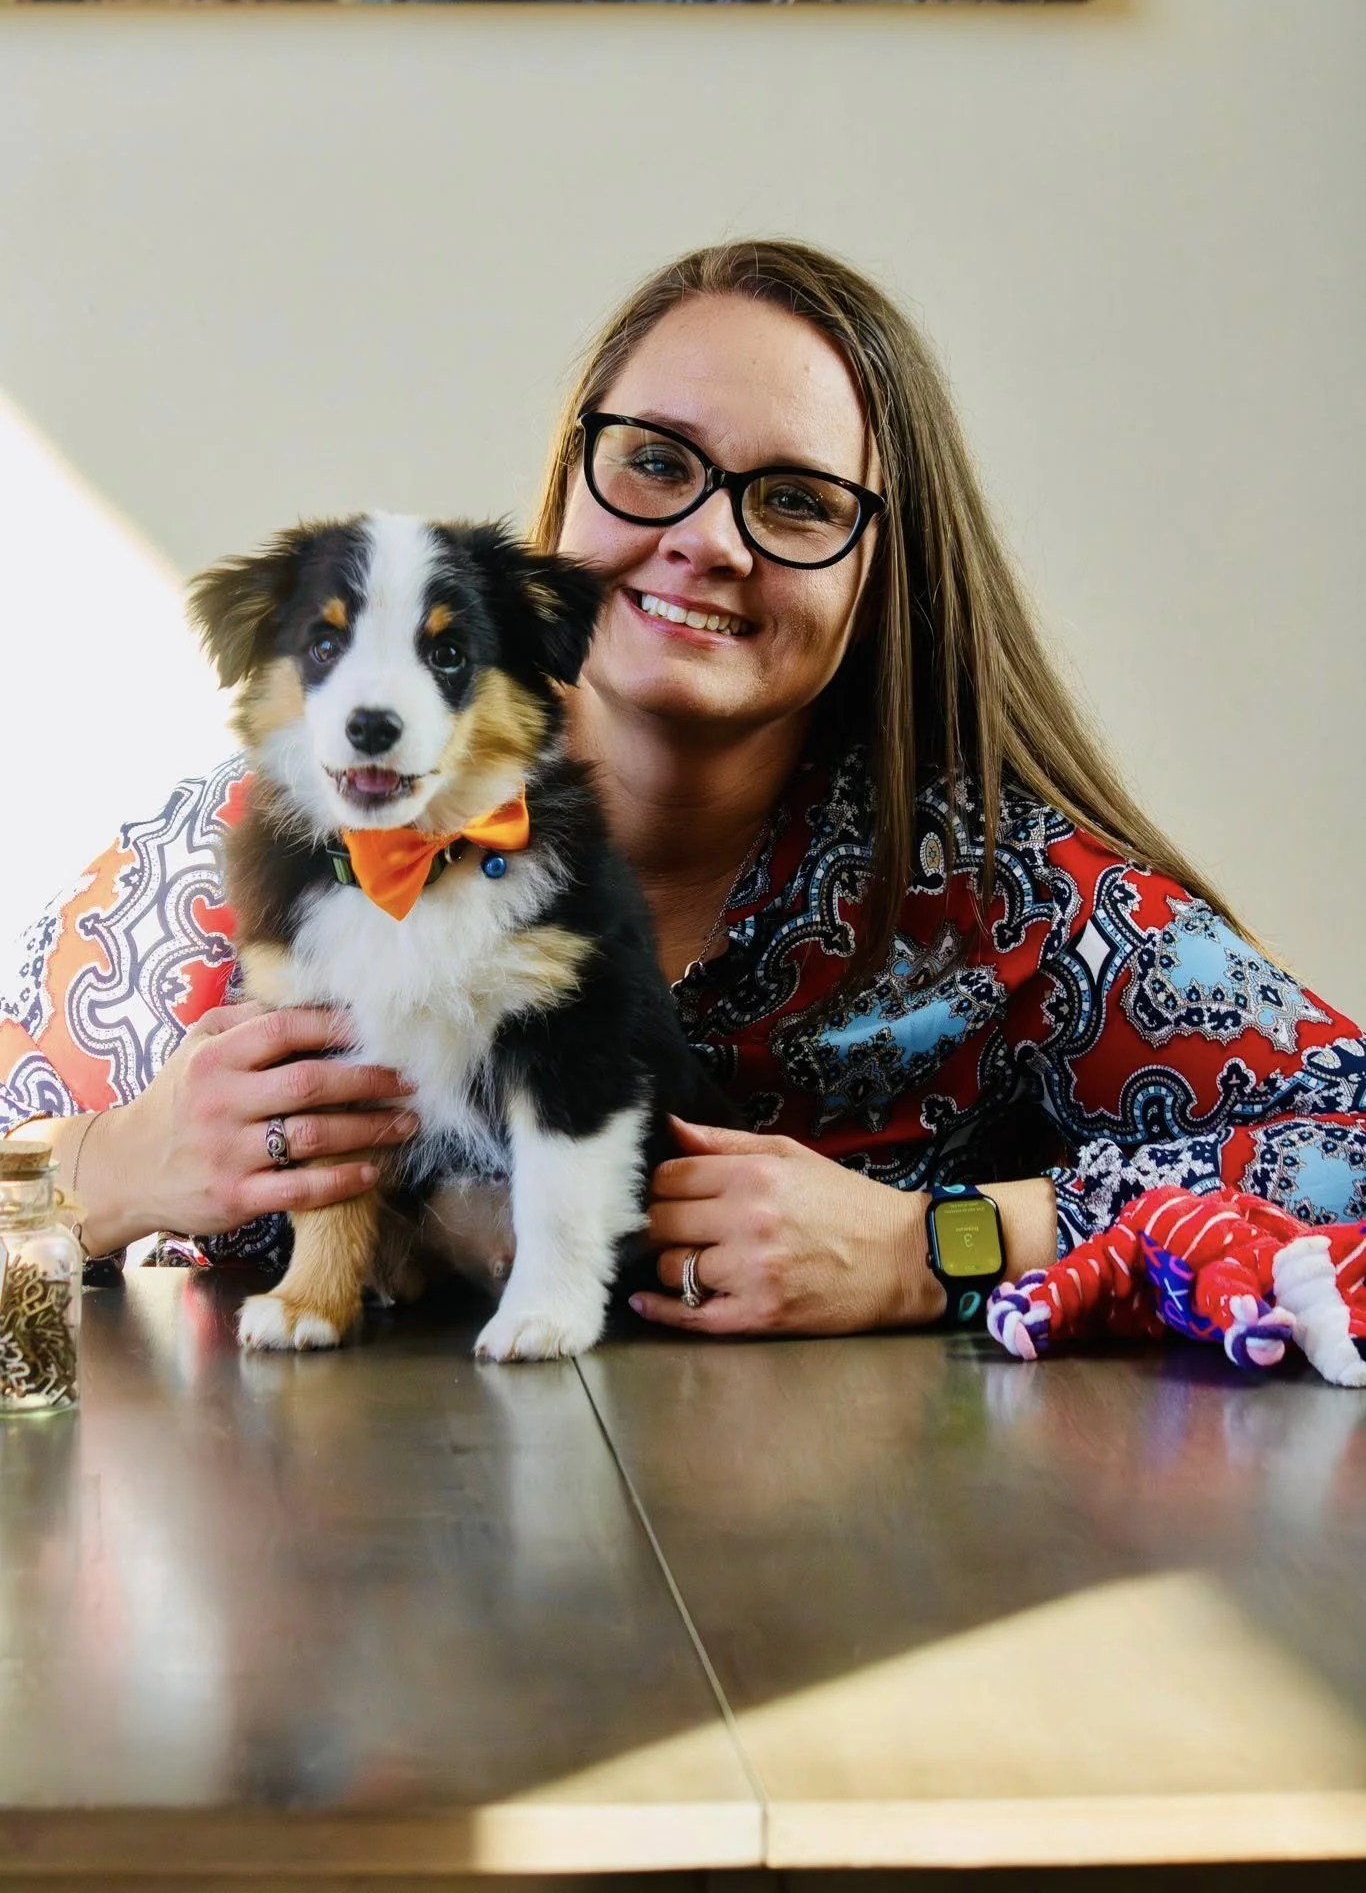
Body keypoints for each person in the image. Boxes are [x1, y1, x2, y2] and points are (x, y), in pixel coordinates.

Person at [4, 240, 1364, 1337]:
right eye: (655, 462)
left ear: (882, 570)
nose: (706, 540)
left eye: (795, 500)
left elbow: (1343, 1137)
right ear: (568, 491)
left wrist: (933, 1242)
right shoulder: (243, 864)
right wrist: (115, 1169)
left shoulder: (1002, 900)